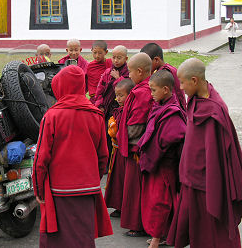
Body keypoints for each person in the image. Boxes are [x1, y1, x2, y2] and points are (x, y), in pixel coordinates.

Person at [167, 58, 242, 248]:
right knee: (196, 229)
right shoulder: (196, 99)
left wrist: (214, 183)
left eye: (182, 82)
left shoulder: (214, 110)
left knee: (213, 230)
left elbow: (218, 153)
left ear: (195, 80)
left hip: (209, 180)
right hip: (191, 176)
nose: (180, 88)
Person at [32, 65, 113, 247]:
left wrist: (38, 189)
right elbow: (103, 156)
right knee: (83, 237)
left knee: (58, 239)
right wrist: (93, 178)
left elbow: (41, 158)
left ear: (60, 86)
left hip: (59, 189)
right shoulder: (96, 115)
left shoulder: (52, 116)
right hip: (88, 187)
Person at [137, 70, 186, 248]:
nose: (151, 95)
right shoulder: (161, 105)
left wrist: (153, 152)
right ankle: (164, 234)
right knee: (154, 200)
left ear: (166, 89)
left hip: (164, 165)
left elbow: (174, 135)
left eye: (153, 90)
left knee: (161, 202)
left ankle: (157, 238)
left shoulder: (173, 112)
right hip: (155, 162)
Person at [117, 52, 154, 237]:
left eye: (130, 72)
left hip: (136, 149)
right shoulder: (145, 88)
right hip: (137, 147)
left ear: (140, 71)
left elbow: (136, 124)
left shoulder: (142, 92)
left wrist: (124, 139)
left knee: (136, 188)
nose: (128, 75)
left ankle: (138, 224)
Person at [104, 78, 134, 218]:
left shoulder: (130, 111)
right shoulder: (118, 110)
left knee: (124, 180)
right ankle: (118, 206)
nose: (118, 98)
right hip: (116, 150)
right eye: (116, 95)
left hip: (124, 150)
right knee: (116, 180)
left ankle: (125, 207)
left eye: (121, 95)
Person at [94, 45, 129, 164]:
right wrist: (100, 105)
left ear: (126, 58)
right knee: (104, 135)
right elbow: (100, 90)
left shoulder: (128, 73)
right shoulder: (107, 72)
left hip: (119, 109)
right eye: (113, 57)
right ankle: (104, 161)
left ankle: (114, 162)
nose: (115, 60)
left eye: (119, 58)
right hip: (106, 109)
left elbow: (127, 89)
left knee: (115, 136)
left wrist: (118, 78)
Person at [140, 42, 186, 110]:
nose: (145, 67)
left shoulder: (164, 73)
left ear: (156, 60)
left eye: (147, 63)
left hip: (172, 109)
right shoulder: (169, 68)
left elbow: (167, 97)